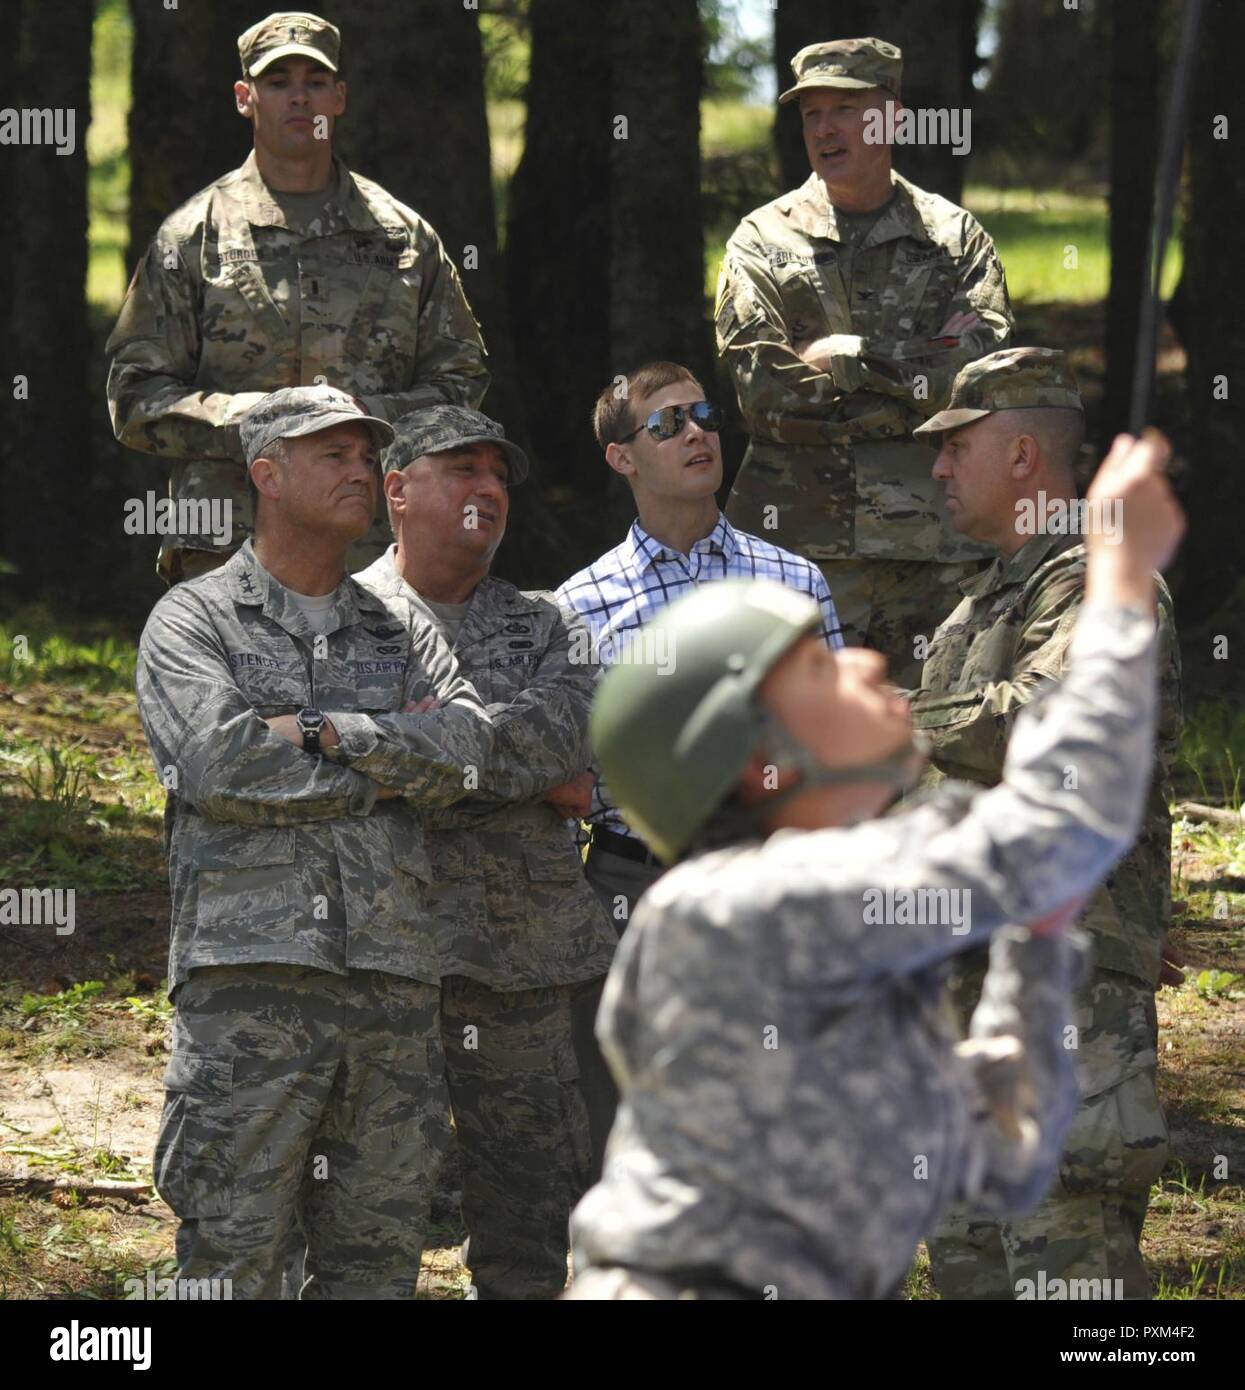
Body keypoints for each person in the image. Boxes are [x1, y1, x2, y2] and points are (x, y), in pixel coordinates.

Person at [565, 428, 1185, 1300]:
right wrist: (1119, 583)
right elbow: (1062, 819)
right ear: (756, 761)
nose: (865, 661)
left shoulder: (797, 927)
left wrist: (1034, 952)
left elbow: (999, 1161)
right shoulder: (768, 901)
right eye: (817, 670)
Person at [136, 386, 496, 1299]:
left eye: (367, 455)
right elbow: (219, 766)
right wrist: (386, 763)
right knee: (234, 1253)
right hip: (251, 985)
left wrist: (326, 732)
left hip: (390, 984)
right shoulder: (194, 618)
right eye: (331, 454)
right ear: (266, 474)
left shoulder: (399, 623)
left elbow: (463, 754)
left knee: (374, 1264)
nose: (361, 471)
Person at [906, 347, 1182, 1299]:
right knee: (973, 1259)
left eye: (955, 446)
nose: (936, 469)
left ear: (1023, 455)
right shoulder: (986, 597)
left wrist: (887, 728)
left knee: (1071, 1274)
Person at [354, 405, 617, 1298]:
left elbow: (562, 751)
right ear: (397, 489)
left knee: (530, 1227)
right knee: (365, 1221)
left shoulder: (548, 625)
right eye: (462, 468)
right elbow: (323, 762)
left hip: (523, 961)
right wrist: (511, 766)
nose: (488, 488)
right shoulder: (342, 619)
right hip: (381, 957)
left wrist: (406, 748)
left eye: (498, 474)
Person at [108, 10, 488, 586]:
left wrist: (361, 423)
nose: (298, 99)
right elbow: (134, 395)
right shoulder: (191, 238)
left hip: (371, 548)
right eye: (277, 82)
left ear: (339, 97)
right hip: (228, 542)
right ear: (245, 97)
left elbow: (463, 383)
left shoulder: (404, 238)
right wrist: (263, 423)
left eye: (314, 83)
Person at [715, 36, 1014, 685]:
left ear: (891, 118)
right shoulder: (761, 240)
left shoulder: (953, 239)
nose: (824, 129)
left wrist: (843, 360)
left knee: (937, 745)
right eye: (810, 113)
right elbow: (763, 394)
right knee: (795, 752)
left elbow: (984, 382)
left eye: (844, 110)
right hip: (798, 553)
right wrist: (919, 380)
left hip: (935, 549)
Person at [556, 360, 843, 933]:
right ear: (622, 458)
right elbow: (565, 777)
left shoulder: (796, 582)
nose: (697, 433)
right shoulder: (577, 605)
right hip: (632, 886)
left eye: (705, 416)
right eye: (668, 424)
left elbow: (836, 739)